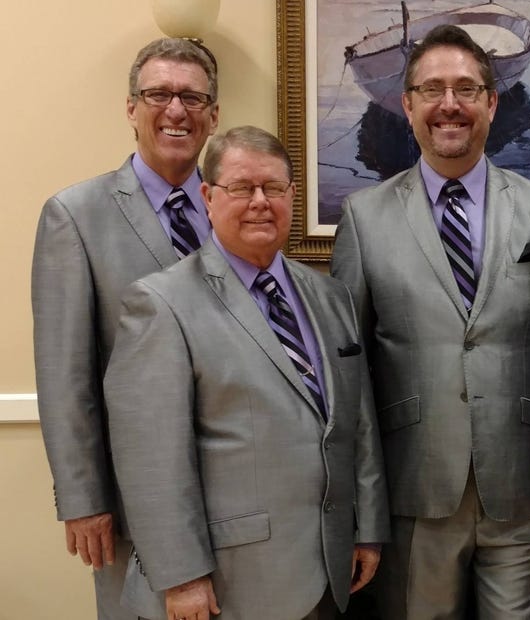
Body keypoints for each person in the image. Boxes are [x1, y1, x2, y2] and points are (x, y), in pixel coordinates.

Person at [331, 24, 530, 619]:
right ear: (408, 104)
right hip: (413, 492)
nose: (450, 105)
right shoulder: (364, 219)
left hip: (521, 495)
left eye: (467, 89)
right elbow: (351, 379)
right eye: (433, 89)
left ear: (492, 104)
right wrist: (360, 511)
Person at [103, 126, 389, 620]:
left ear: (291, 196)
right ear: (208, 197)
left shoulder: (328, 297)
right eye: (241, 188)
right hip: (223, 586)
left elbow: (356, 424)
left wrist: (366, 528)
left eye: (273, 187)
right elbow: (150, 460)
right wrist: (181, 576)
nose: (260, 202)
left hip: (325, 568)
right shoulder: (161, 304)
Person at [31, 37, 219, 619]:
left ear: (214, 114)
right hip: (131, 499)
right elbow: (66, 376)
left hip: (239, 490)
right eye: (158, 94)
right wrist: (84, 499)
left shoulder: (237, 207)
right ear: (130, 107)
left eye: (192, 97)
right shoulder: (75, 216)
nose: (176, 110)